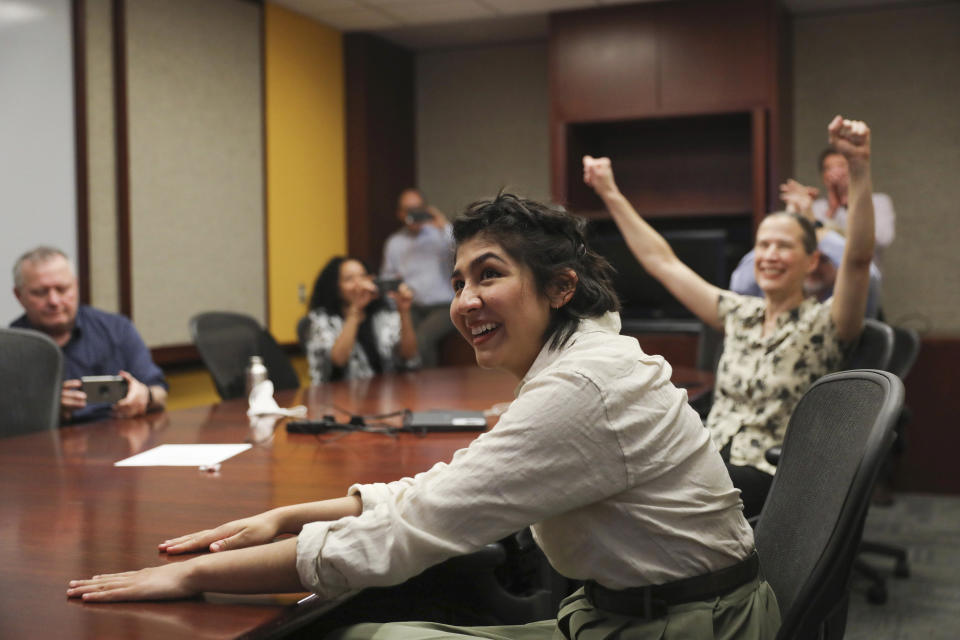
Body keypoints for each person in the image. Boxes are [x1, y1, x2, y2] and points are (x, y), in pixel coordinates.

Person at [68, 193, 779, 640]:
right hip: (649, 611)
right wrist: (293, 515)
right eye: (460, 281)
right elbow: (455, 482)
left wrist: (194, 578)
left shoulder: (582, 389)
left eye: (489, 275)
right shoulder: (584, 360)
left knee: (358, 635)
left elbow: (411, 532)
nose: (465, 300)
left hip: (686, 627)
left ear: (561, 288)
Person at [583, 115, 875, 519]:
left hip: (769, 474)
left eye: (783, 246)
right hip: (708, 455)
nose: (769, 255)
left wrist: (858, 168)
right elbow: (662, 262)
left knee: (643, 500)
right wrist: (608, 191)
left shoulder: (825, 323)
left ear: (811, 261)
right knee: (607, 475)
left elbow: (858, 261)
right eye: (763, 245)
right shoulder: (741, 312)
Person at [11, 246, 167, 423]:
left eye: (62, 289)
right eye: (40, 292)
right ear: (18, 295)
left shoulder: (117, 329)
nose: (54, 301)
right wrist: (46, 409)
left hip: (118, 436)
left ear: (76, 286)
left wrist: (146, 396)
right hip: (43, 443)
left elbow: (160, 392)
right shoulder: (8, 348)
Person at [729, 177, 883, 318]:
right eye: (802, 255)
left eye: (822, 259)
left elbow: (867, 274)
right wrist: (785, 228)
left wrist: (812, 228)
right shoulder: (774, 298)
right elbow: (741, 283)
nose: (813, 267)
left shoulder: (847, 306)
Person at [305, 256, 419, 384]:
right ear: (335, 287)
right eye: (349, 279)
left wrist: (404, 311)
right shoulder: (321, 319)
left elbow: (408, 354)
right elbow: (339, 360)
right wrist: (355, 310)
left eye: (363, 276)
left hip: (385, 393)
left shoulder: (382, 313)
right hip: (337, 395)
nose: (359, 284)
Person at [381, 188, 458, 367]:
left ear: (426, 208)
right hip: (412, 306)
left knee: (421, 339)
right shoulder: (394, 243)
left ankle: (427, 390)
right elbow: (388, 278)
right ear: (400, 214)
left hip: (444, 306)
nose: (414, 215)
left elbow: (463, 250)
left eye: (418, 209)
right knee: (398, 341)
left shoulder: (441, 234)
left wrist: (443, 225)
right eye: (408, 210)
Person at [812, 145, 895, 268]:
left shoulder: (878, 202)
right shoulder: (817, 208)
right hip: (827, 281)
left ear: (854, 170)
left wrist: (852, 204)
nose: (836, 172)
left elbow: (882, 239)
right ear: (823, 177)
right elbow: (816, 245)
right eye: (828, 168)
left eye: (841, 166)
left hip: (866, 279)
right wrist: (832, 210)